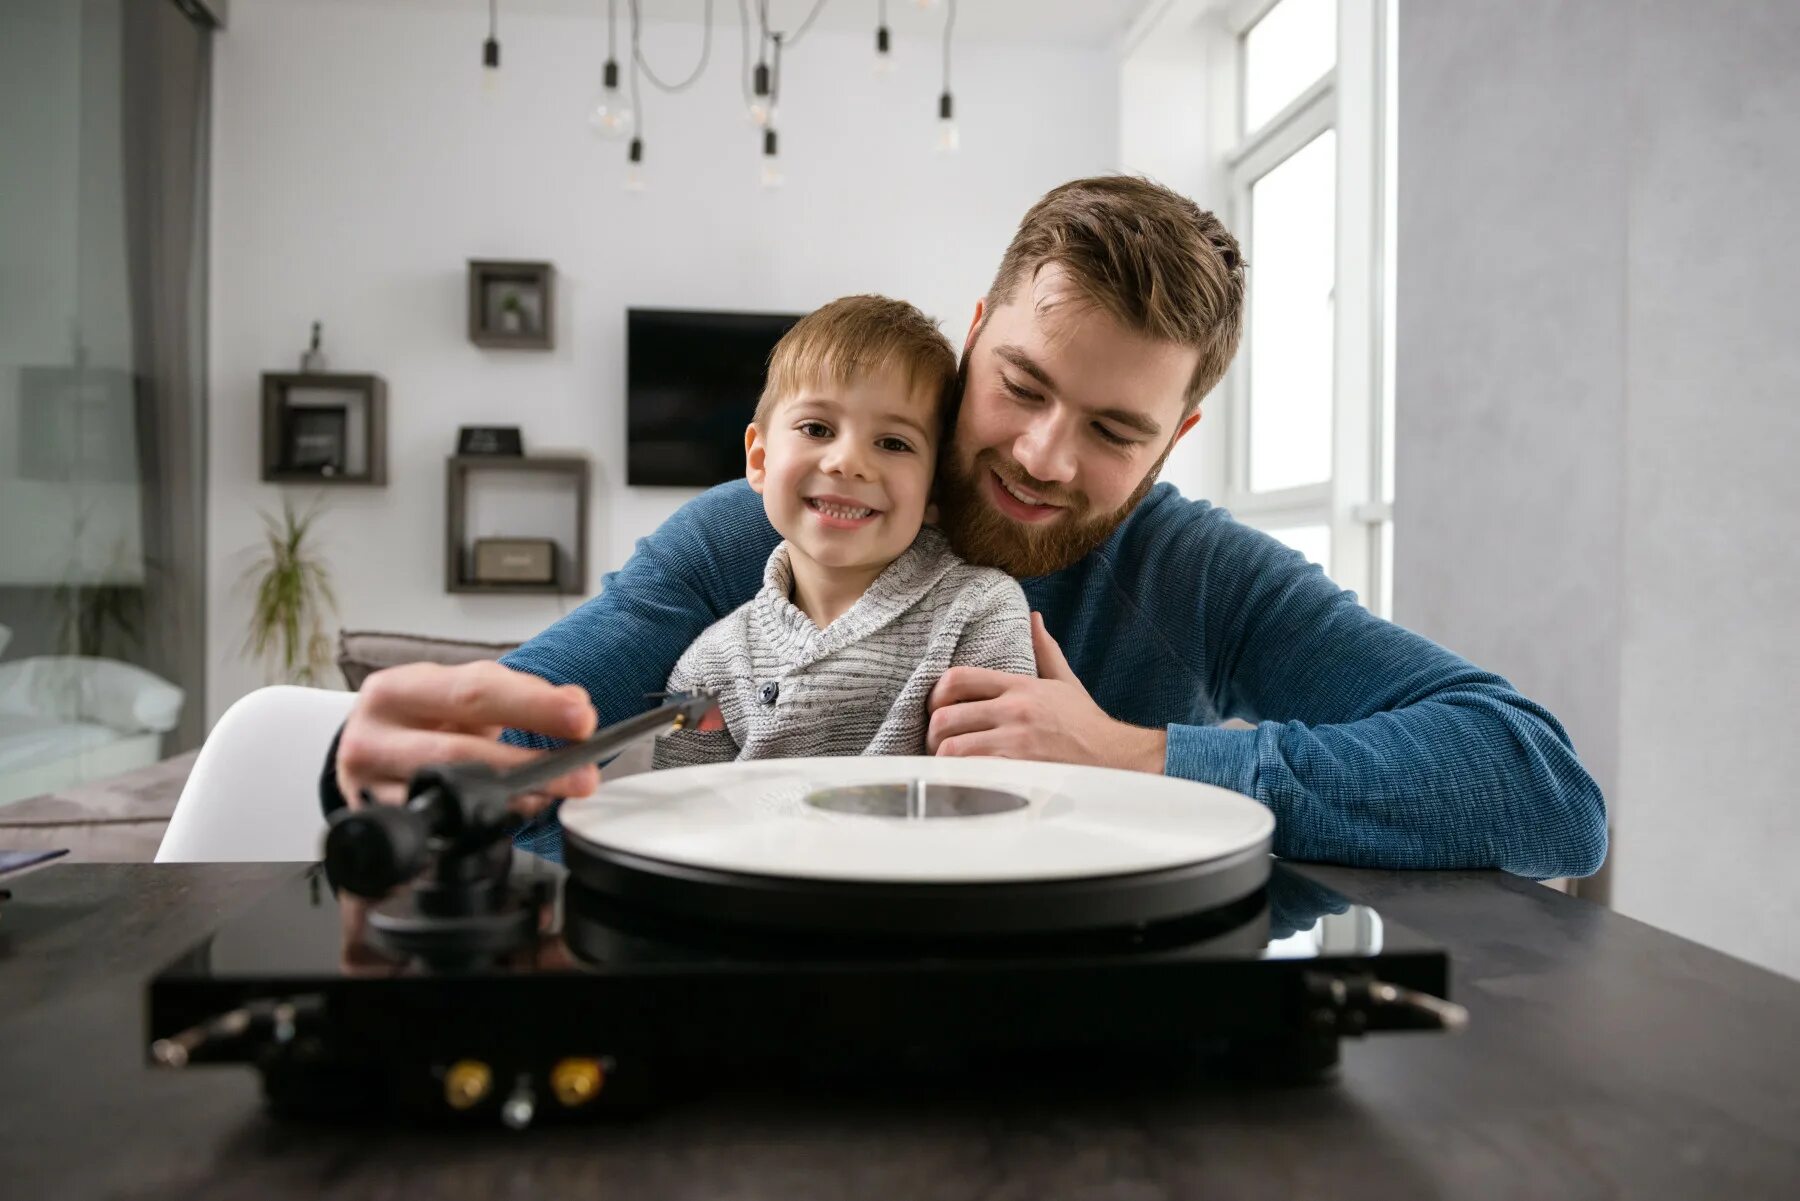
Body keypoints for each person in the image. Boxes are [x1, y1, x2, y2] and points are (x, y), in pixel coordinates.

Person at [324, 175, 1607, 880]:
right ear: (974, 330)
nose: (1045, 459)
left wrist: (1144, 757)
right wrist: (424, 759)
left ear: (1176, 439)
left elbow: (1540, 787)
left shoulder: (1196, 567)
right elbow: (533, 729)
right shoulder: (754, 538)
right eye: (1024, 388)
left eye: (1115, 431)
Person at [650, 293, 1035, 769]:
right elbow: (676, 816)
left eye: (894, 443)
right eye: (816, 429)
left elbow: (1002, 792)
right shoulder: (703, 668)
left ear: (935, 489)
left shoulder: (983, 610)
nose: (849, 462)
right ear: (760, 459)